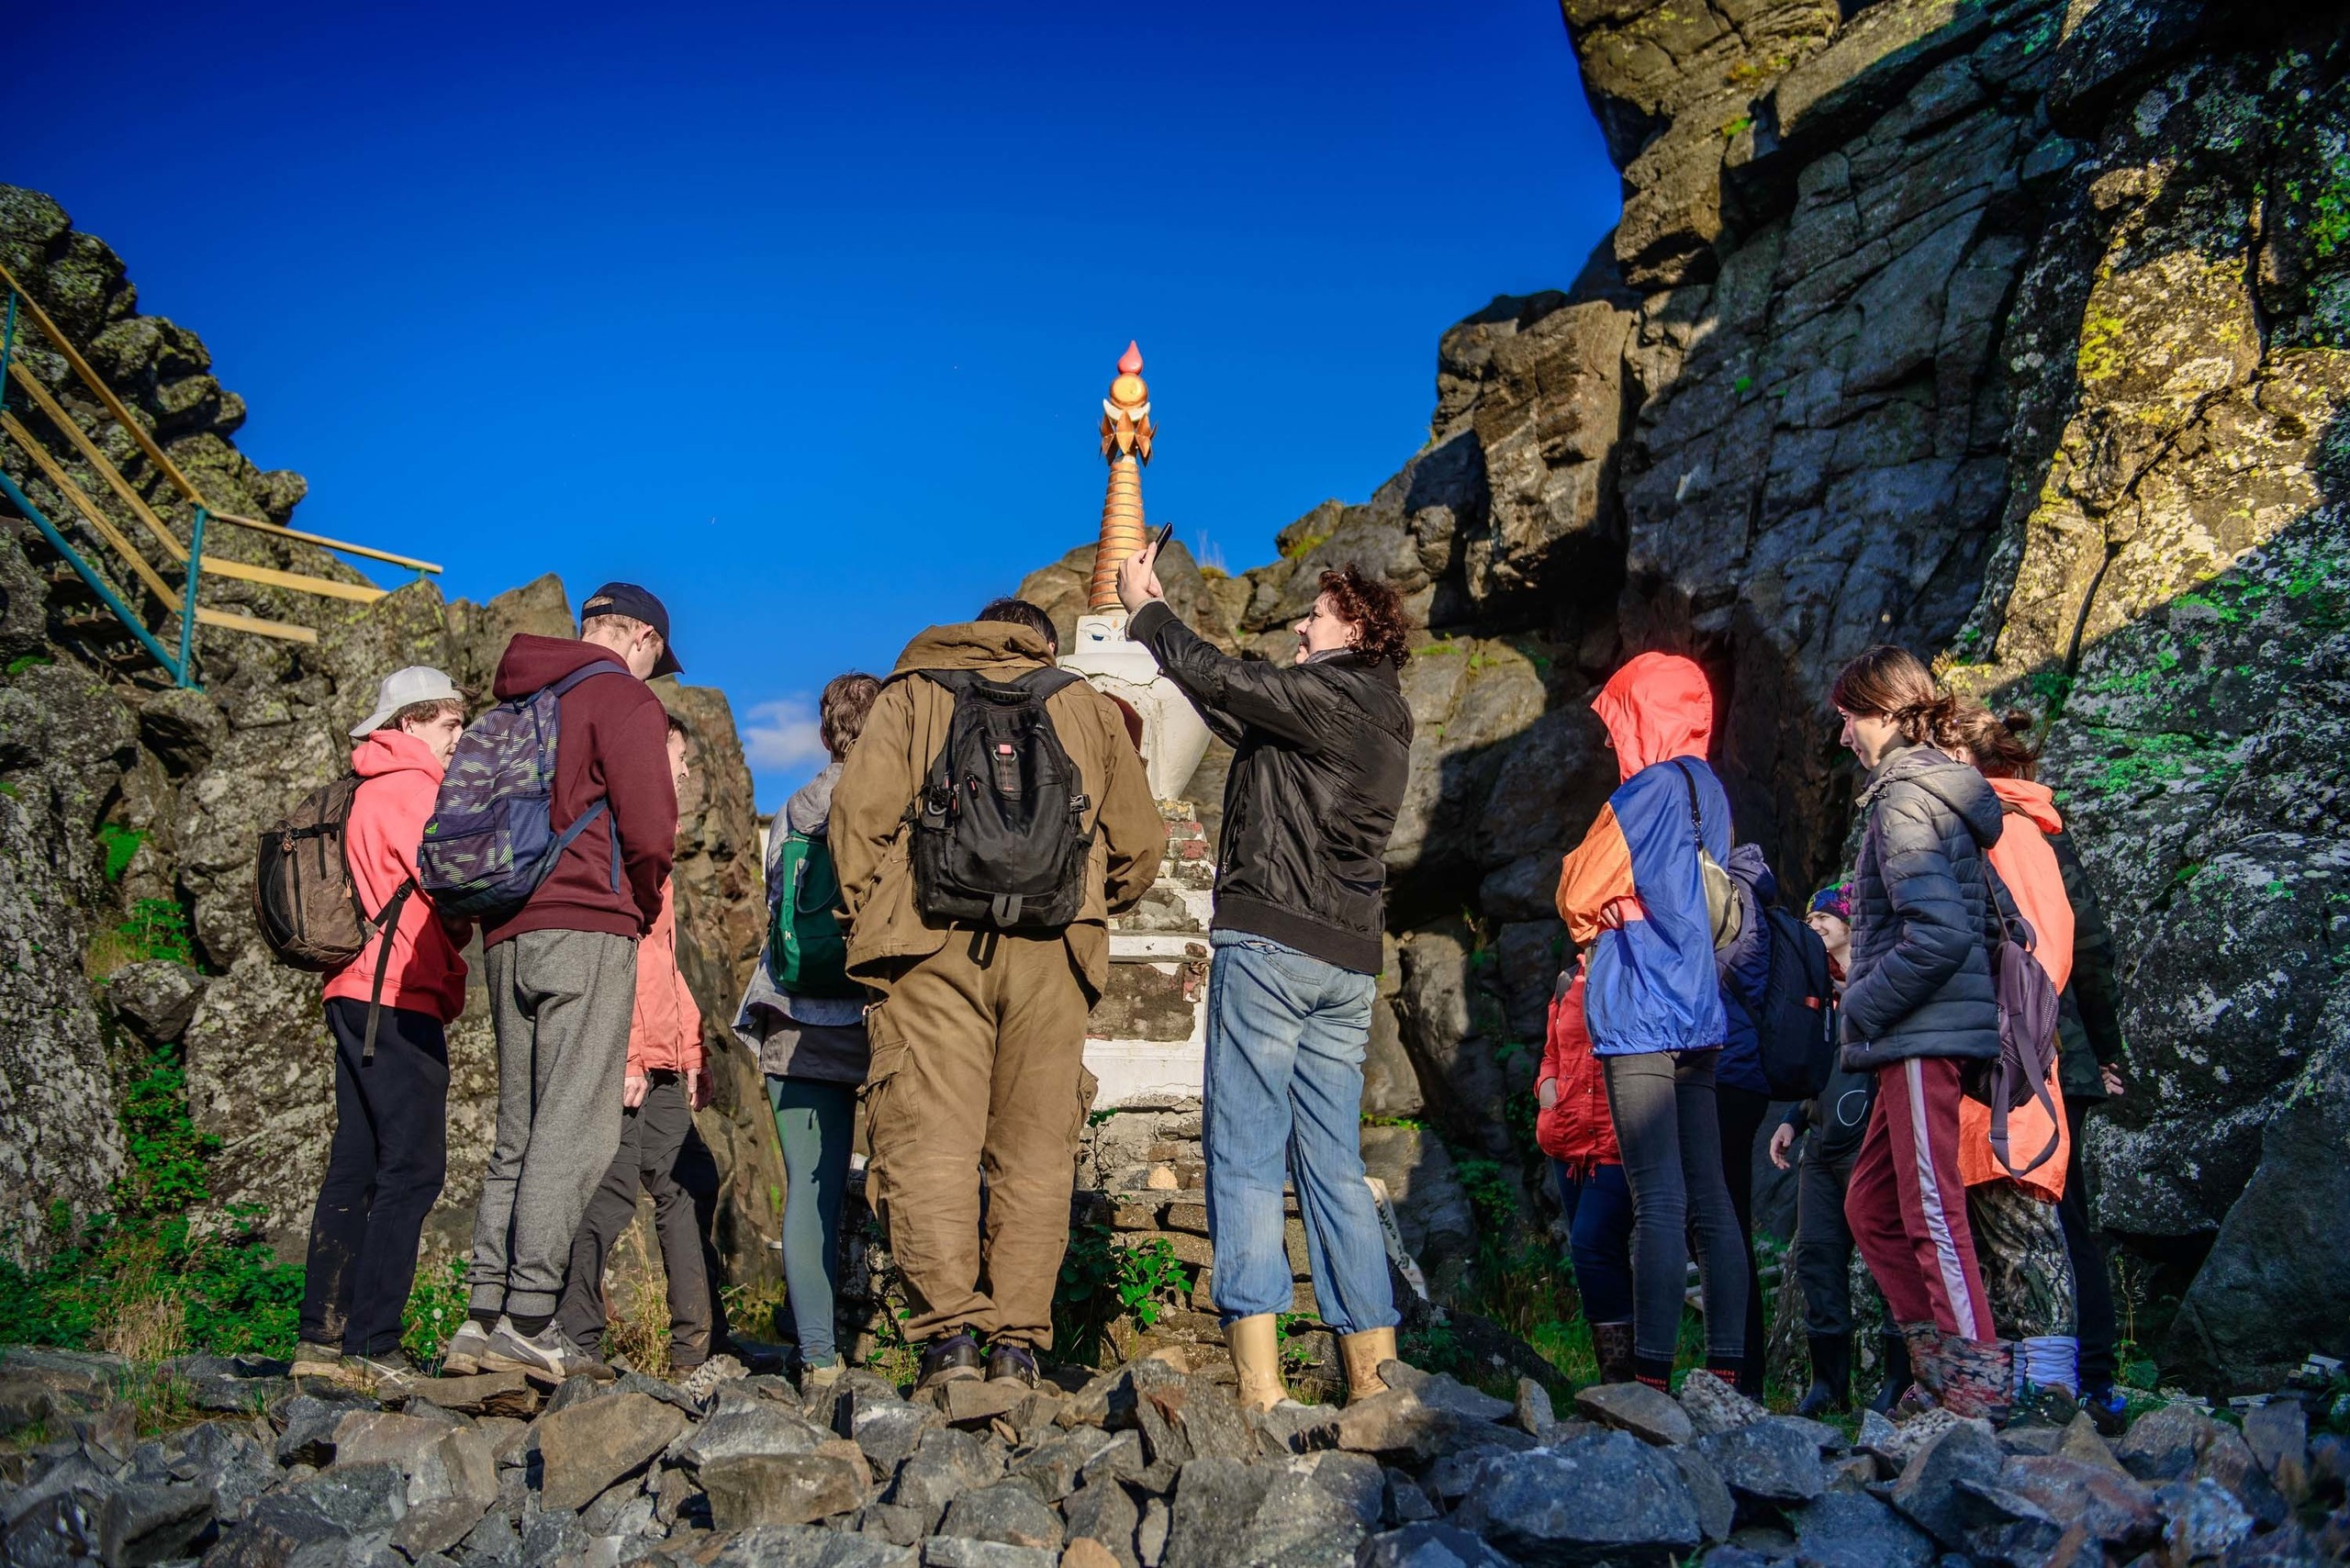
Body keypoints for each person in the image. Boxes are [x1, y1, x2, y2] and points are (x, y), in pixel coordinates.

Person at [833, 599, 1161, 1389]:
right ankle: (1015, 1350)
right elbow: (1142, 845)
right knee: (1036, 1154)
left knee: (930, 1142)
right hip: (1054, 952)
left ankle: (950, 1344)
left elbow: (855, 824)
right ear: (1043, 644)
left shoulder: (912, 694)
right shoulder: (1085, 704)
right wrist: (1083, 902)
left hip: (929, 944)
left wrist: (874, 915)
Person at [1119, 551, 1416, 1411]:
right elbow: (1231, 700)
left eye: (1316, 614)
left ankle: (1261, 1388)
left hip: (1273, 944)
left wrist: (1145, 613)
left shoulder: (1328, 695)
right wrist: (1167, 640)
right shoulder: (1381, 714)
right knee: (1332, 1164)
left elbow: (1227, 679)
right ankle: (1374, 1378)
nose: (1299, 623)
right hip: (1347, 961)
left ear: (1355, 631)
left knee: (1245, 1155)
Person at [447, 583, 682, 1382]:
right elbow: (651, 829)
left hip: (504, 928)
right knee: (575, 1125)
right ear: (643, 638)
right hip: (585, 922)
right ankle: (530, 1319)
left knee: (517, 1129)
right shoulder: (622, 698)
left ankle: (482, 1318)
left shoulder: (520, 698)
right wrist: (640, 902)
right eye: (658, 658)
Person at [1553, 652, 1749, 1393]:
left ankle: (1651, 1383)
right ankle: (1726, 1372)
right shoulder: (1708, 788)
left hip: (1640, 1010)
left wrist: (1608, 905)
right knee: (1711, 1199)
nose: (1611, 737)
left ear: (1642, 716)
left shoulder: (1646, 790)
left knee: (1658, 1200)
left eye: (1619, 719)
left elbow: (1576, 890)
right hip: (1699, 1011)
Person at [1830, 644, 2015, 1421]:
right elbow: (1992, 925)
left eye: (1849, 718)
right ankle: (1938, 1371)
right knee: (1871, 1206)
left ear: (1886, 714)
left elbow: (1938, 937)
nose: (1844, 734)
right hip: (1922, 1033)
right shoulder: (1941, 793)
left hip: (1917, 1034)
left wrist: (1860, 1005)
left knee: (1931, 1207)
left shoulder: (1905, 799)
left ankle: (1976, 1385)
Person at [291, 667, 470, 1384]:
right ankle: (374, 1344)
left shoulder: (365, 787)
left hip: (352, 988)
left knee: (356, 1164)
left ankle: (320, 1341)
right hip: (398, 994)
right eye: (449, 723)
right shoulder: (416, 789)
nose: (459, 737)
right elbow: (453, 883)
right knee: (413, 1168)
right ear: (409, 723)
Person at [734, 671, 884, 1393]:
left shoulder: (793, 811)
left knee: (808, 1192)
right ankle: (932, 1345)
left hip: (791, 1015)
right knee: (915, 1176)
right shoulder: (895, 804)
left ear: (825, 734)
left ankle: (819, 1358)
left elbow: (777, 904)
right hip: (876, 1016)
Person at [554, 713, 716, 1375]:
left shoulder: (655, 844)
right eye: (679, 757)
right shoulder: (618, 840)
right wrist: (624, 1057)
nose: (686, 769)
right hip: (625, 1057)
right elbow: (611, 960)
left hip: (663, 1058)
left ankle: (695, 1353)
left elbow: (663, 965)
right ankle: (576, 1341)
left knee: (689, 1184)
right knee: (609, 1193)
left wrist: (692, 1050)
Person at [1950, 703, 2087, 1421]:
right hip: (2011, 1057)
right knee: (2011, 1233)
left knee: (2020, 1235)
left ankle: (2049, 1398)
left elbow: (2029, 955)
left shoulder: (1996, 832)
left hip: (1996, 1063)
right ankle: (2028, 1399)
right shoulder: (2019, 829)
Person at [1768, 881, 1889, 1416]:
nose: (1813, 924)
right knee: (1817, 1257)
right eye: (1810, 917)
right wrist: (1792, 1120)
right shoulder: (1818, 988)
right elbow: (1816, 1067)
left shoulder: (1880, 979)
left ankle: (1900, 1381)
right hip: (1820, 1145)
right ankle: (1828, 1387)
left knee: (1887, 1257)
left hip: (1869, 1141)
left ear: (1851, 922)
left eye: (1824, 917)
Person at [1536, 961, 1635, 1385]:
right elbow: (1552, 1053)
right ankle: (1618, 1378)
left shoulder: (1638, 965)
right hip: (1567, 1142)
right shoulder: (1567, 979)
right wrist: (1546, 1087)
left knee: (1591, 1243)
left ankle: (1623, 1377)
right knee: (1596, 1255)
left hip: (1617, 1144)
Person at [1711, 842, 1780, 1399]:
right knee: (1725, 1219)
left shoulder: (1729, 898)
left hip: (1722, 1075)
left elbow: (1714, 975)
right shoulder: (1756, 899)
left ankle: (1738, 1371)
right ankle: (1740, 1370)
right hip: (1745, 1077)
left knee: (1721, 1223)